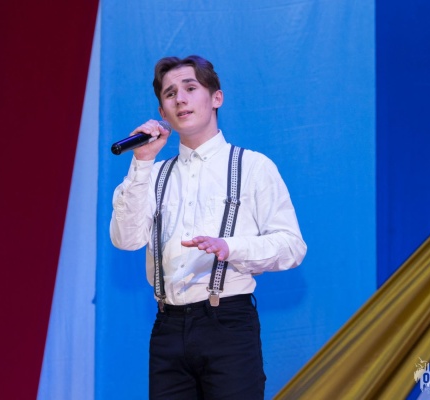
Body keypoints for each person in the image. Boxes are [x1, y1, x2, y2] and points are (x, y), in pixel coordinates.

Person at [110, 55, 307, 399]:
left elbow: (292, 247)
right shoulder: (151, 175)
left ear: (216, 98)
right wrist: (141, 161)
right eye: (170, 94)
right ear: (162, 111)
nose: (180, 99)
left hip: (227, 324)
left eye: (190, 88)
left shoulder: (253, 166)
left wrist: (231, 247)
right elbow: (126, 240)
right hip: (168, 327)